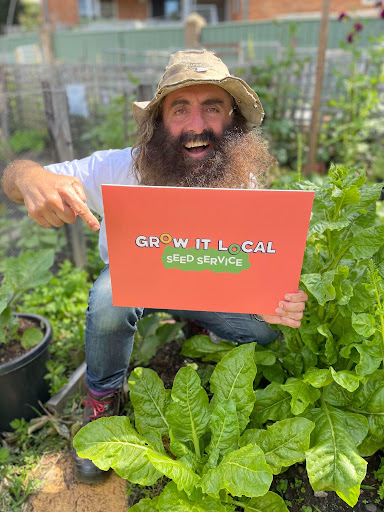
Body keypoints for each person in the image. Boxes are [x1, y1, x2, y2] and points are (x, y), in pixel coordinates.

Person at [2, 49, 308, 483]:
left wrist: (275, 297)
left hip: (209, 289)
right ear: (160, 120)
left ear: (232, 119)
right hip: (138, 284)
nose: (197, 125)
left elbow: (257, 261)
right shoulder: (116, 168)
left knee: (265, 330)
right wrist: (33, 180)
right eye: (180, 109)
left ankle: (197, 324)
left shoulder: (241, 176)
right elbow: (16, 174)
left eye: (213, 108)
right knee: (109, 296)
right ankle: (103, 401)